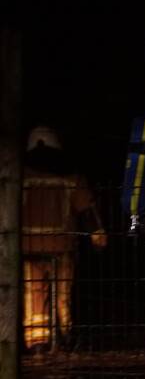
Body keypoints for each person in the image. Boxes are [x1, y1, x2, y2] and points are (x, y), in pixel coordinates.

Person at [21, 126, 107, 352]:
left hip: (28, 247)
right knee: (62, 295)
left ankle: (37, 342)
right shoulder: (72, 178)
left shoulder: (19, 178)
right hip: (63, 246)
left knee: (34, 295)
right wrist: (98, 237)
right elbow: (87, 211)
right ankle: (65, 335)